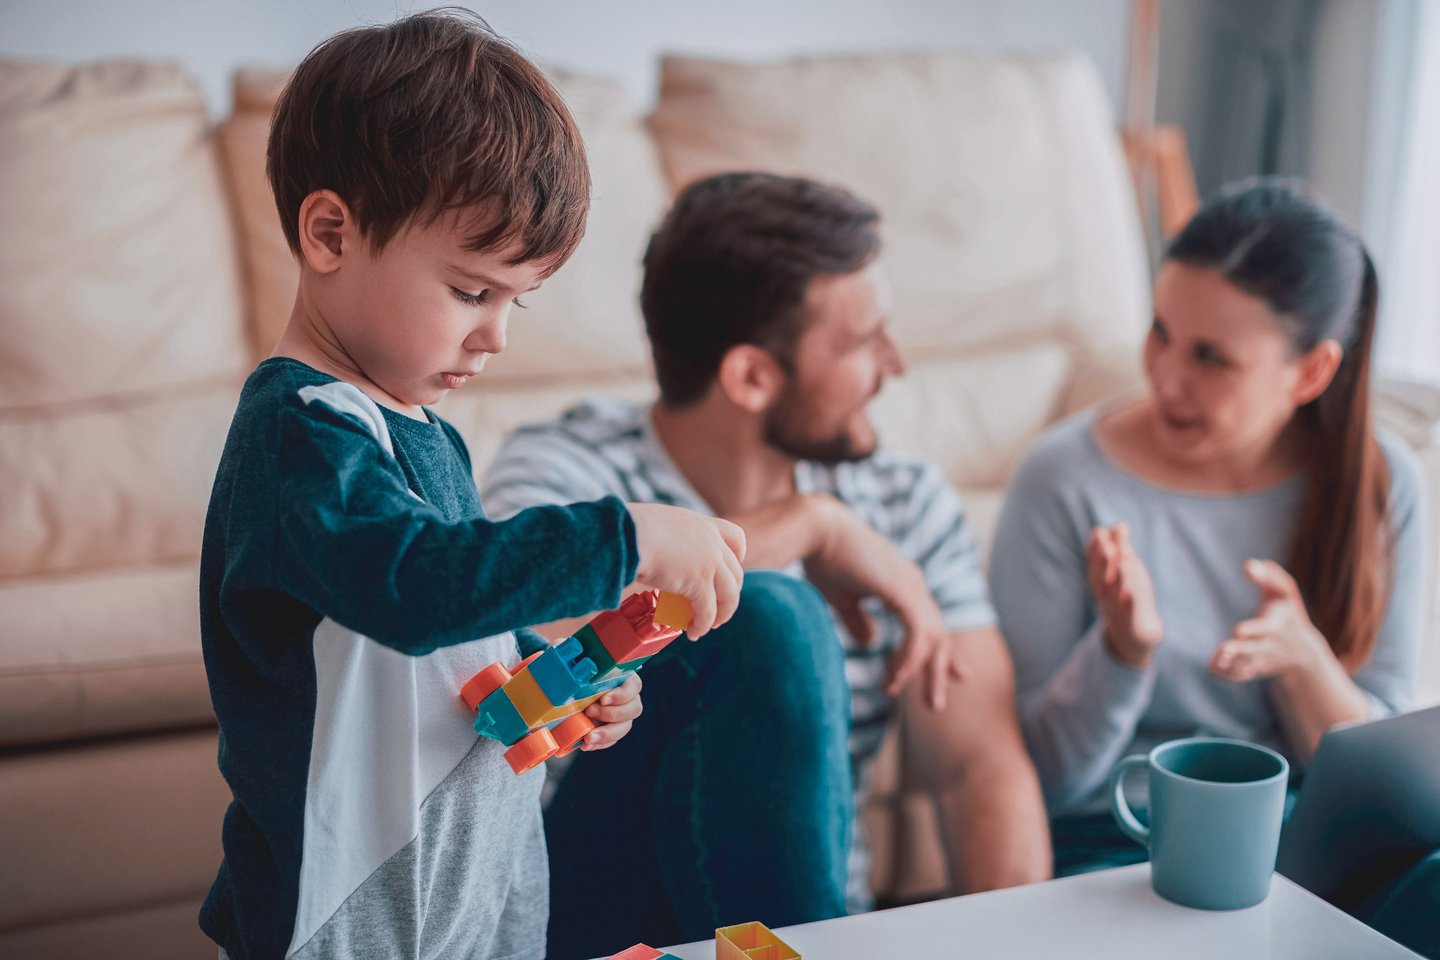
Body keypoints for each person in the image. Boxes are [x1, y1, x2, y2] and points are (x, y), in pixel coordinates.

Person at [197, 12, 746, 959]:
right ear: (330, 233)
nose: (495, 336)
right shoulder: (299, 438)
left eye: (512, 301)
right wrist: (628, 535)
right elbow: (410, 587)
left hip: (473, 867)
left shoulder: (424, 433)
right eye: (469, 292)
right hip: (346, 904)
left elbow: (453, 639)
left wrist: (560, 677)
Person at [482, 172, 1051, 958]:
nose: (897, 365)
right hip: (591, 912)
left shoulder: (901, 501)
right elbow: (503, 655)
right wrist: (806, 527)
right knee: (770, 613)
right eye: (863, 343)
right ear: (750, 376)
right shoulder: (565, 474)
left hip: (810, 921)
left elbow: (976, 765)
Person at [988, 178, 1428, 876]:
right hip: (1119, 842)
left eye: (1211, 358)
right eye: (1161, 331)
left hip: (1310, 842)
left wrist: (1302, 663)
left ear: (1311, 372)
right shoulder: (1062, 479)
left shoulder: (1380, 482)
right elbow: (1039, 783)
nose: (1165, 377)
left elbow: (1396, 791)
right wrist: (1121, 653)